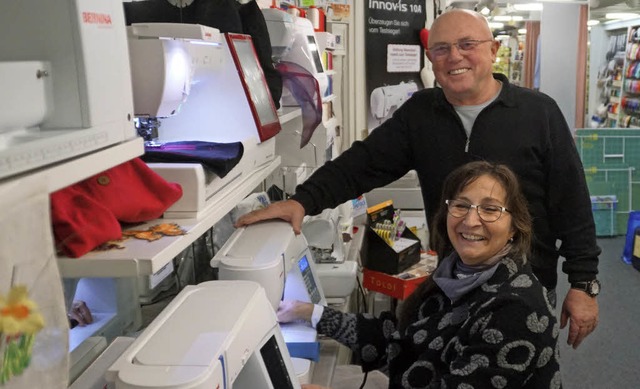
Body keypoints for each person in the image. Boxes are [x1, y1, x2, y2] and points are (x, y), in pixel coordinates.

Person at [237, 8, 600, 349]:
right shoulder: (421, 114)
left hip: (526, 290)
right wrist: (303, 200)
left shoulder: (538, 113)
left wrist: (584, 284)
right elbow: (361, 164)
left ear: (494, 50)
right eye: (441, 49)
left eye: (467, 45)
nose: (454, 57)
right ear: (430, 59)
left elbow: (572, 203)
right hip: (454, 282)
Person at [278, 161, 561, 388]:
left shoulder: (516, 309)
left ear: (514, 227)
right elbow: (396, 340)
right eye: (461, 205)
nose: (471, 220)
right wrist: (310, 313)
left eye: (490, 209)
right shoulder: (454, 275)